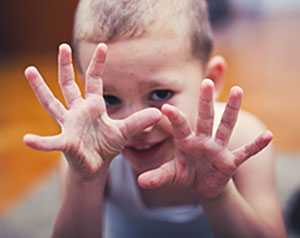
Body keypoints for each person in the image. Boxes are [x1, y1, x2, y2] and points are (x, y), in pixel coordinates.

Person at [23, 0, 287, 237]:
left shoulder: (241, 141)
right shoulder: (87, 155)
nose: (136, 124)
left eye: (160, 94)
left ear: (211, 80)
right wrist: (86, 181)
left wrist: (219, 195)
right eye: (109, 99)